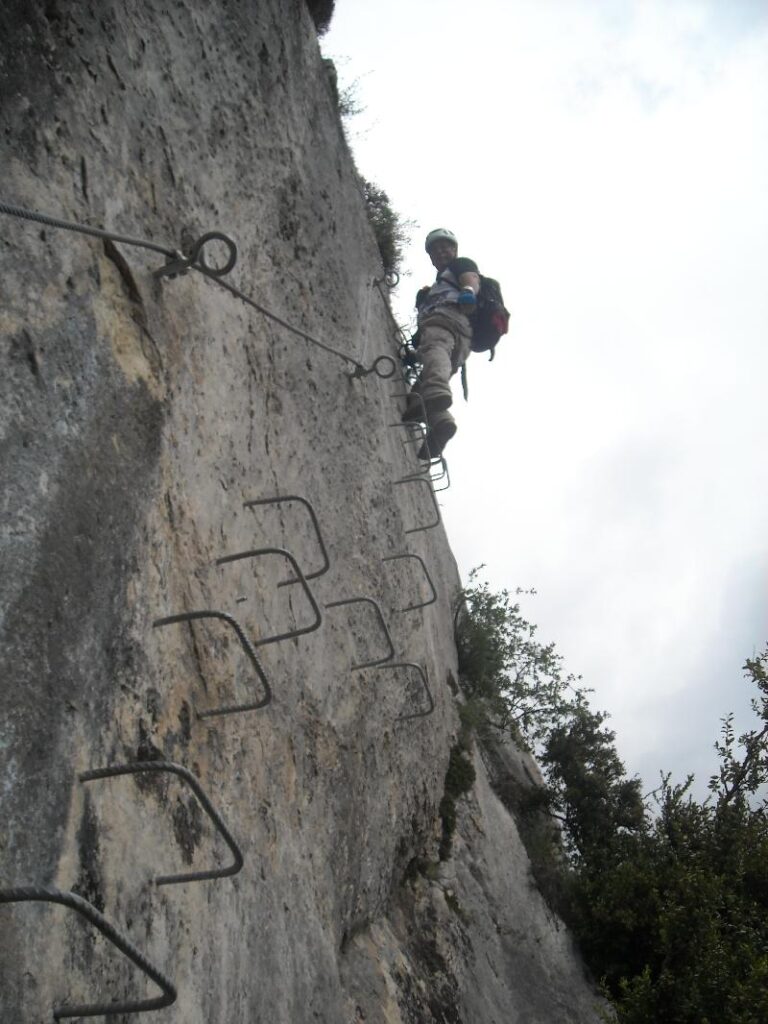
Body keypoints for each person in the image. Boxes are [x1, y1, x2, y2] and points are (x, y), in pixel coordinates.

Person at [402, 228, 480, 460]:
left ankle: (437, 391)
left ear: (455, 250)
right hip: (461, 341)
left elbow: (471, 279)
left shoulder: (460, 266)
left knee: (435, 357)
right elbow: (424, 341)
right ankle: (441, 422)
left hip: (448, 319)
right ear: (431, 257)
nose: (441, 251)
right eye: (435, 249)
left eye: (445, 246)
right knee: (418, 395)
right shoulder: (432, 289)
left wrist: (468, 291)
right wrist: (414, 353)